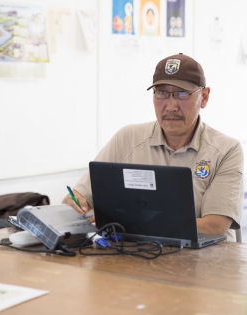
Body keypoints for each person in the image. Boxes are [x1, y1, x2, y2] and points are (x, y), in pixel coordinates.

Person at [63, 53, 244, 242]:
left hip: (206, 262)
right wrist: (75, 203)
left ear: (204, 97)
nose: (171, 106)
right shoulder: (128, 139)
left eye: (182, 93)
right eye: (162, 93)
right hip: (137, 258)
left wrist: (126, 221)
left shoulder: (226, 150)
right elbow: (78, 196)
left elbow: (214, 227)